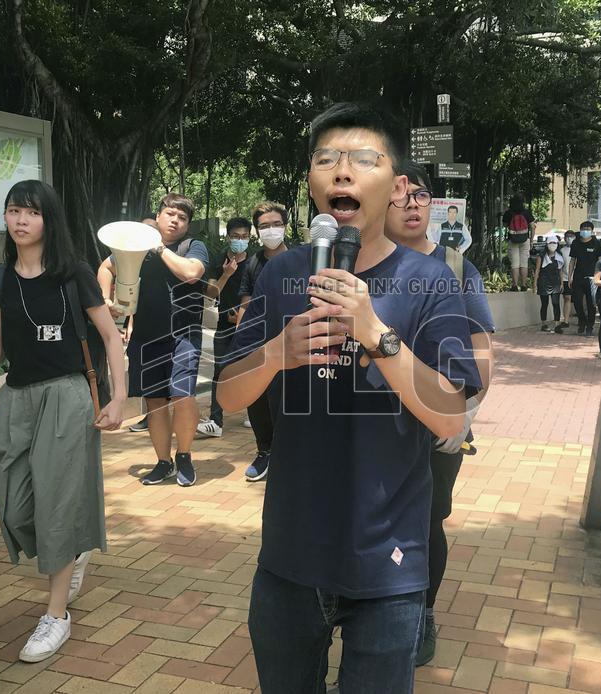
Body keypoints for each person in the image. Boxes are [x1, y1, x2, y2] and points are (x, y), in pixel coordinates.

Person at [217, 102, 481, 693]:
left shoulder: (430, 281)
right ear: (311, 182)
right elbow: (229, 395)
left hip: (388, 558)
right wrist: (277, 353)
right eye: (326, 160)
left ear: (397, 187)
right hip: (290, 552)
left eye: (363, 159)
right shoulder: (281, 274)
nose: (342, 172)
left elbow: (449, 415)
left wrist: (375, 332)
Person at [0, 180, 126, 662]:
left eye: (30, 212)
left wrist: (119, 400)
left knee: (56, 503)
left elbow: (112, 339)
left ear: (48, 220)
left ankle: (56, 615)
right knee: (13, 504)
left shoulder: (74, 276)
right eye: (13, 211)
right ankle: (70, 550)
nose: (21, 220)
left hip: (67, 398)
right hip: (17, 399)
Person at [384, 160, 495, 666]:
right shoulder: (358, 264)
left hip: (434, 429)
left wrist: (464, 415)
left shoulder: (454, 267)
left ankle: (422, 611)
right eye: (399, 194)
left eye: (421, 195)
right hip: (371, 425)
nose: (411, 203)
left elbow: (480, 349)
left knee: (427, 523)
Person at [101, 194, 209, 487]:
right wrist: (105, 298)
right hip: (147, 336)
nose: (175, 220)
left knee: (182, 395)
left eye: (182, 217)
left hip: (183, 335)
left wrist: (159, 247)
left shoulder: (192, 247)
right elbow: (106, 267)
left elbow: (190, 273)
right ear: (158, 216)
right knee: (155, 402)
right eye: (170, 213)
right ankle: (164, 462)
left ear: (188, 224)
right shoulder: (136, 246)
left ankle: (184, 455)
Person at [232, 201, 290, 482]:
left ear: (286, 227)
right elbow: (246, 303)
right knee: (258, 398)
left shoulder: (302, 258)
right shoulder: (253, 263)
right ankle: (264, 451)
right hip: (261, 343)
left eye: (276, 224)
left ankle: (288, 452)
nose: (270, 230)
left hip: (295, 344)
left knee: (292, 400)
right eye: (264, 226)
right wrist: (241, 347)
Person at [96, 215, 158, 434]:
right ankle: (150, 417)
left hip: (162, 326)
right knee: (144, 378)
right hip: (142, 327)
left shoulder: (164, 256)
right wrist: (104, 298)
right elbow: (105, 267)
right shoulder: (125, 251)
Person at [197, 217, 251, 438]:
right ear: (228, 237)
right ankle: (215, 421)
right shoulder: (218, 260)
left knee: (250, 369)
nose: (240, 240)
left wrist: (243, 315)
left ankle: (253, 413)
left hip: (249, 326)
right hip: (223, 326)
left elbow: (260, 293)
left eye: (245, 237)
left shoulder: (255, 261)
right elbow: (210, 294)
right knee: (219, 371)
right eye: (236, 236)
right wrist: (226, 274)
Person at [568, 221, 600, 336]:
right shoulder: (576, 243)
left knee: (591, 303)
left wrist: (598, 277)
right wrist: (570, 276)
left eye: (588, 229)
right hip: (578, 276)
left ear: (592, 231)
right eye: (583, 229)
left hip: (592, 278)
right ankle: (582, 320)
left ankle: (590, 326)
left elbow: (600, 262)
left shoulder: (597, 243)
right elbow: (572, 261)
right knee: (577, 301)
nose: (585, 231)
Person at [534, 232, 566, 333]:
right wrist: (534, 284)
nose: (553, 245)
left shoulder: (559, 256)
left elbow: (560, 270)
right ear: (547, 244)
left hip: (555, 282)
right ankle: (543, 323)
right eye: (551, 243)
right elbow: (537, 270)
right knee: (545, 303)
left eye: (555, 243)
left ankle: (557, 324)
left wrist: (561, 283)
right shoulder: (541, 256)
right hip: (543, 282)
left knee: (556, 303)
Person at [502, 195, 534, 292]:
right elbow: (532, 227)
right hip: (525, 239)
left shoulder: (508, 213)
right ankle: (524, 285)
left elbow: (505, 225)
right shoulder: (527, 213)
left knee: (514, 264)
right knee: (524, 263)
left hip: (513, 239)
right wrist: (531, 240)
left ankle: (515, 286)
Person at [560, 230, 576, 327]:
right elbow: (560, 267)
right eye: (567, 236)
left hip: (576, 278)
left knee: (578, 299)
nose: (569, 238)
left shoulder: (577, 249)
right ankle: (565, 320)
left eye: (571, 236)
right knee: (567, 298)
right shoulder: (562, 251)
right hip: (565, 278)